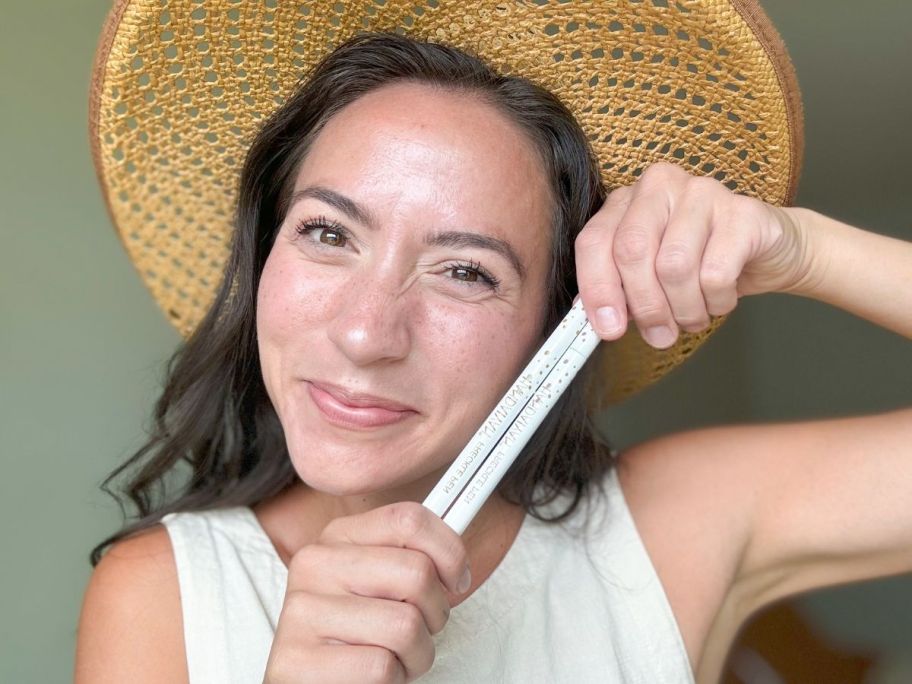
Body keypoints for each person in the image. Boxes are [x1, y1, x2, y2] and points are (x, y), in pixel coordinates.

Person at [76, 2, 911, 683]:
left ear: (553, 327)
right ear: (264, 253)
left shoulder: (664, 534)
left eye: (466, 273)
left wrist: (804, 251)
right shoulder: (163, 598)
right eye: (328, 233)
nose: (367, 333)